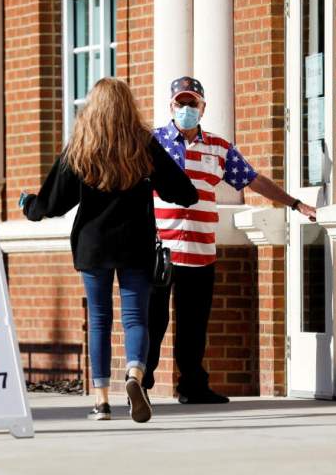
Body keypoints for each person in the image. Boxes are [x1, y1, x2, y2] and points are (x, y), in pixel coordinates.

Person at [20, 77, 197, 422]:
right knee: (135, 318)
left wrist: (29, 204)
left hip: (93, 245)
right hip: (135, 244)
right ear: (128, 106)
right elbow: (183, 192)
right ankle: (134, 376)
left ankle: (100, 402)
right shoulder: (144, 144)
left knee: (99, 319)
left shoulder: (81, 146)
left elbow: (52, 204)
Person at [144, 76, 318, 404]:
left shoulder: (219, 148)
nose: (186, 108)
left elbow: (253, 180)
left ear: (203, 107)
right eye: (180, 103)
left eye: (192, 103)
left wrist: (295, 203)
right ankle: (141, 382)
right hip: (161, 251)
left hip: (200, 251)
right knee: (154, 320)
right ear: (170, 106)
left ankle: (192, 386)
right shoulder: (154, 144)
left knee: (194, 324)